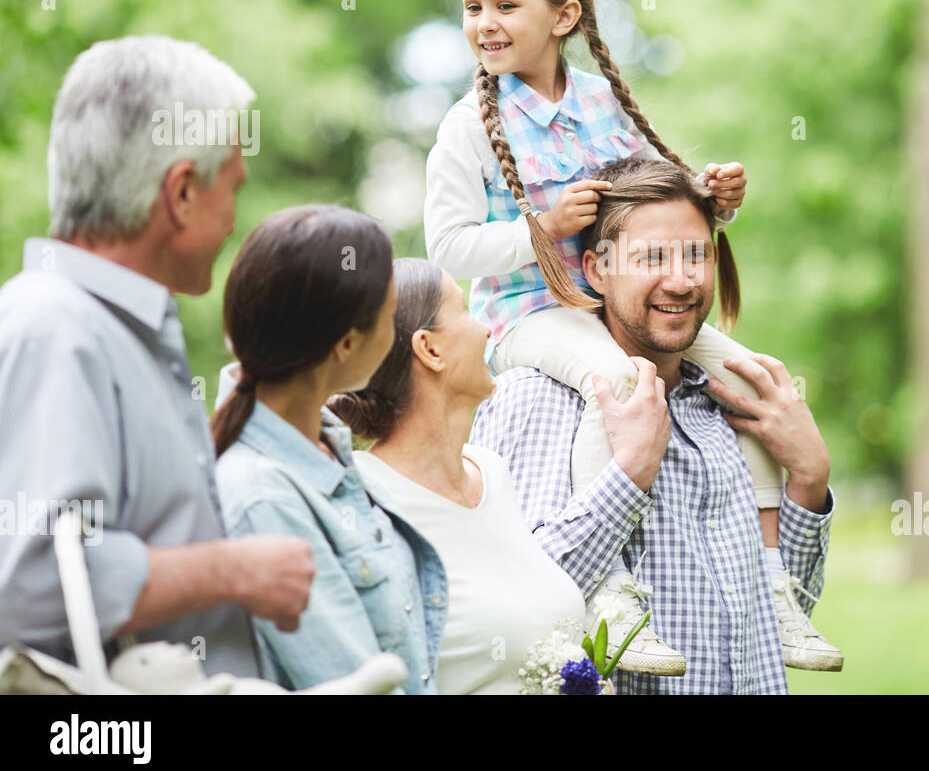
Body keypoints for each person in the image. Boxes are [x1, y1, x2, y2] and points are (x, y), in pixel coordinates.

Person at [425, 0, 842, 672]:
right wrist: (543, 230)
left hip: (604, 306)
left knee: (754, 379)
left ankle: (777, 587)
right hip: (528, 315)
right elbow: (447, 248)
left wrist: (712, 196)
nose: (484, 23)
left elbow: (658, 203)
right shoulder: (469, 130)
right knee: (618, 380)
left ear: (565, 16)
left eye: (505, 5)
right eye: (473, 6)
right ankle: (613, 595)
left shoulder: (598, 104)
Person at [0, 36, 313, 677]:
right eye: (232, 187)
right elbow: (30, 583)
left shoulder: (110, 329)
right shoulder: (56, 327)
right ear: (182, 194)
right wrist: (236, 570)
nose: (234, 221)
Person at [470, 157, 839, 694]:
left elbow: (782, 614)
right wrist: (627, 478)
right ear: (597, 270)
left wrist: (809, 479)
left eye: (696, 255)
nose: (682, 280)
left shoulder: (728, 409)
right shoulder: (538, 400)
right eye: (651, 258)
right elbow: (512, 605)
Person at [211, 206, 445, 693]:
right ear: (345, 344)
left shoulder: (326, 446)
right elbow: (355, 680)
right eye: (389, 311)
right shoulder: (262, 495)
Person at [329, 259, 588, 694]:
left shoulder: (492, 472)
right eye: (466, 310)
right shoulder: (364, 501)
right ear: (429, 349)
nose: (486, 328)